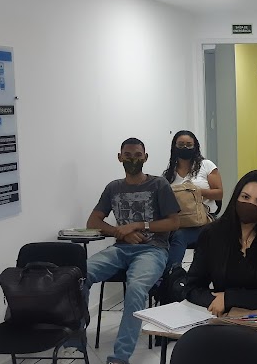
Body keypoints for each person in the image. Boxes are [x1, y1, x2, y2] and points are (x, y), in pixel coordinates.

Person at [184, 170, 257, 364]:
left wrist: (230, 298)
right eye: (245, 197)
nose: (250, 205)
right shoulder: (211, 234)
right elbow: (192, 287)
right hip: (225, 324)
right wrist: (215, 302)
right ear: (236, 196)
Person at [85, 138, 180, 364]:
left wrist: (139, 225)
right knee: (79, 273)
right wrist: (121, 232)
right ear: (120, 157)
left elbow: (174, 223)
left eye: (138, 155)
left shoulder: (159, 185)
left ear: (145, 158)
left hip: (153, 250)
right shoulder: (113, 187)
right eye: (128, 155)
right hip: (121, 248)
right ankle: (74, 334)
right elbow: (93, 221)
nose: (133, 160)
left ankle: (119, 357)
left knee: (136, 288)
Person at [163, 130, 223, 267]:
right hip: (177, 222)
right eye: (181, 144)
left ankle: (171, 276)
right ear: (174, 146)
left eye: (189, 145)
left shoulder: (206, 165)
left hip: (204, 221)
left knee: (180, 236)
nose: (185, 148)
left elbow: (219, 193)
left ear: (195, 146)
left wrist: (195, 191)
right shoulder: (168, 174)